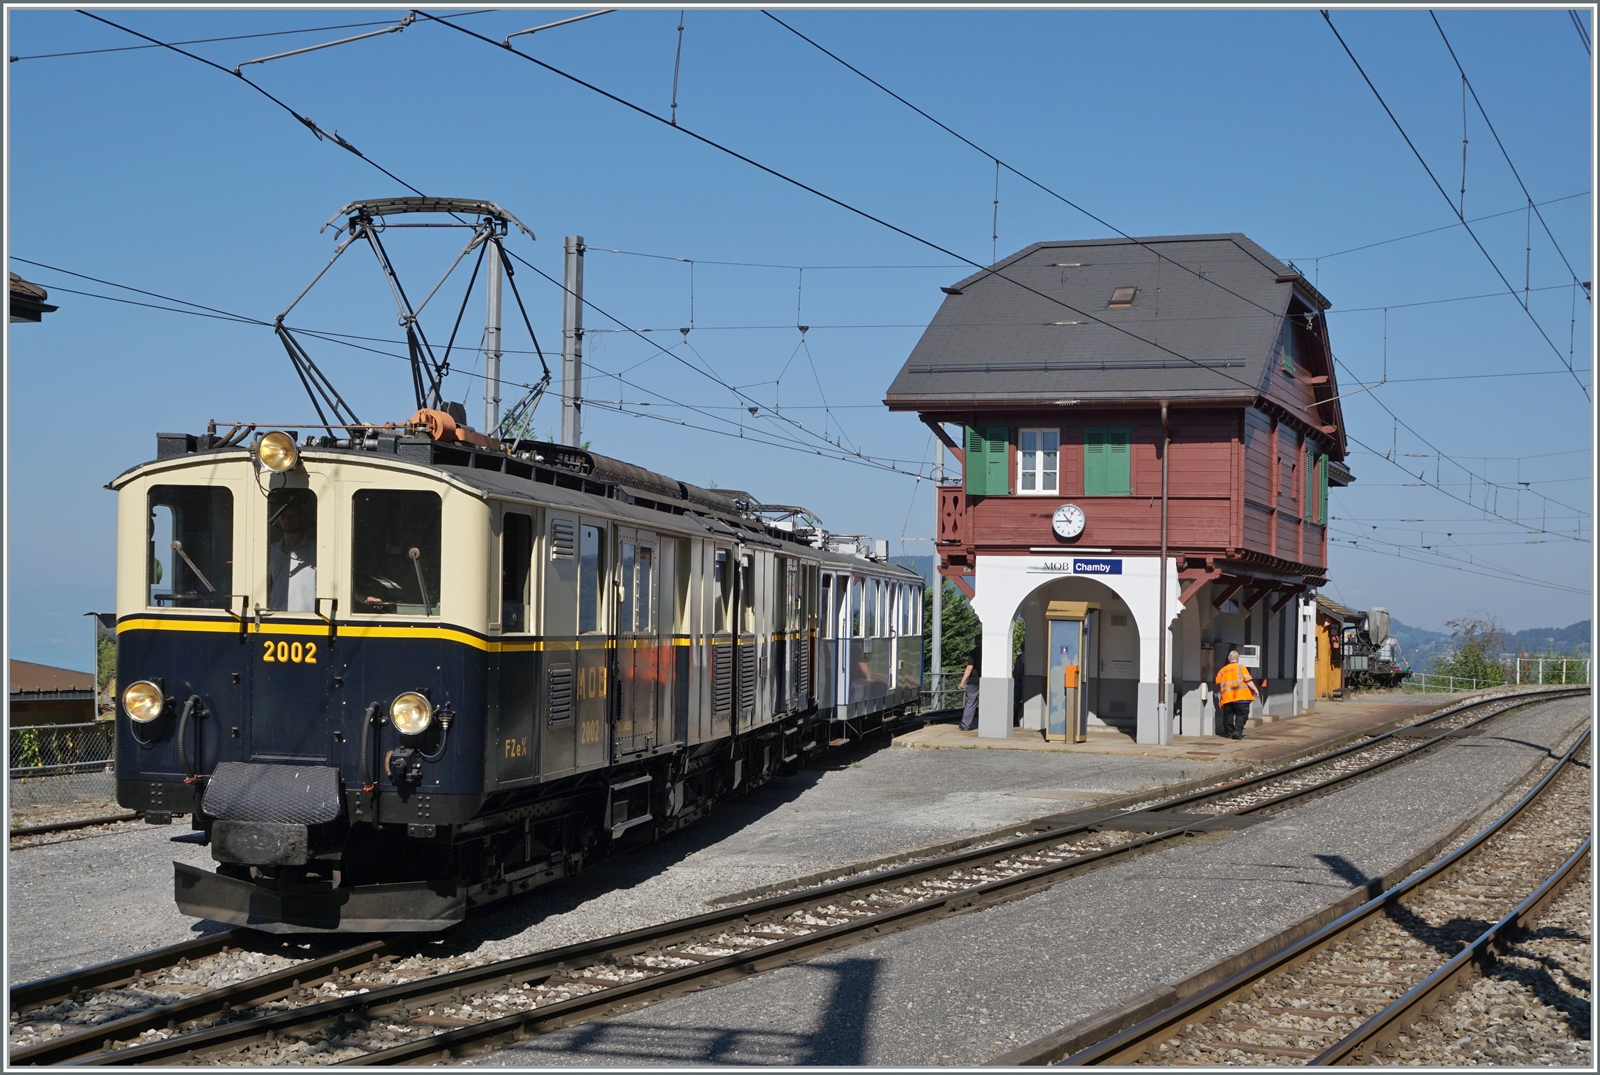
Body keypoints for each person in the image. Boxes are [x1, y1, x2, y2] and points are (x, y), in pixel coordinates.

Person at [267, 498, 316, 612]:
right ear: (278, 519)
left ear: (300, 517)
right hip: (274, 616)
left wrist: (359, 597)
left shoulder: (315, 550)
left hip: (306, 617)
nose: (287, 520)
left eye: (291, 516)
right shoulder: (271, 551)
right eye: (283, 516)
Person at [1214, 647, 1259, 740]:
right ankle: (1237, 732)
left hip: (1227, 698)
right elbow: (1248, 680)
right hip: (1241, 697)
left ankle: (1229, 733)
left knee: (1228, 717)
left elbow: (1217, 682)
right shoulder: (1241, 667)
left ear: (1229, 659)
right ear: (1238, 659)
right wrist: (1255, 689)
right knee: (1242, 715)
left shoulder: (1222, 670)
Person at [957, 635, 983, 731]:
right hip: (986, 680)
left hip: (974, 680)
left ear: (975, 642)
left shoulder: (973, 652)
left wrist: (962, 682)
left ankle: (965, 725)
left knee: (971, 703)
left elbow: (969, 668)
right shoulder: (988, 652)